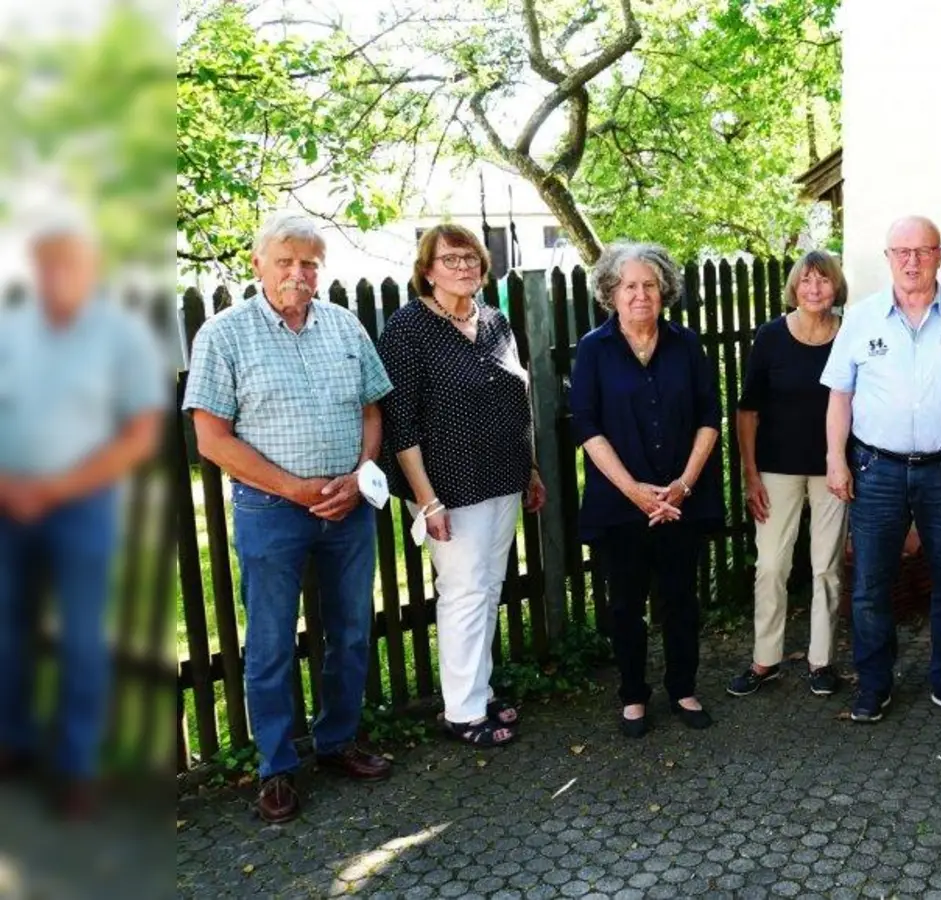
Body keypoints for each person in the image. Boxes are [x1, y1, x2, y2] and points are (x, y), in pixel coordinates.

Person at [183, 211, 395, 824]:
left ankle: (338, 741)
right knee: (272, 642)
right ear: (258, 265)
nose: (297, 274)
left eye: (309, 264)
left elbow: (372, 411)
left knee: (351, 632)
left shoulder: (345, 325)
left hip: (348, 509)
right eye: (285, 262)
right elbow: (212, 440)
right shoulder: (224, 335)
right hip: (272, 510)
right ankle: (276, 766)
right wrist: (295, 489)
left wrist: (360, 473)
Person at [0, 213, 166, 817]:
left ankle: (77, 765)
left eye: (68, 262)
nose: (56, 274)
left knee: (81, 637)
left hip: (83, 506)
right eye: (46, 263)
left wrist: (55, 488)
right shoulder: (10, 330)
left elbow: (140, 435)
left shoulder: (123, 337)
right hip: (8, 504)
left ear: (92, 267)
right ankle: (14, 740)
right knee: (6, 629)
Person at [821, 215, 941, 725]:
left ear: (940, 255)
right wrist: (835, 458)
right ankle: (874, 683)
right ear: (888, 258)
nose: (912, 261)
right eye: (902, 251)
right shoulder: (861, 318)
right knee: (870, 585)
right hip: (876, 469)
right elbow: (840, 395)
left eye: (923, 251)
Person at [376, 224, 547, 748]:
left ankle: (478, 691)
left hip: (503, 475)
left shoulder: (494, 321)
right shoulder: (407, 329)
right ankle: (463, 711)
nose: (464, 266)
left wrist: (530, 469)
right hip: (448, 486)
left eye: (471, 257)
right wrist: (426, 501)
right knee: (464, 591)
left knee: (488, 588)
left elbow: (518, 401)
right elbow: (400, 422)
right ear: (427, 270)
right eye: (450, 259)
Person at [569, 242, 723, 737]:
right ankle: (633, 695)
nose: (640, 295)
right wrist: (634, 491)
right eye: (629, 286)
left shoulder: (686, 344)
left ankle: (683, 689)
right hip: (620, 502)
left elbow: (709, 416)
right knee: (625, 606)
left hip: (681, 501)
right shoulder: (594, 348)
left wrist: (683, 485)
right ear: (611, 293)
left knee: (682, 600)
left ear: (664, 291)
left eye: (650, 285)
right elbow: (586, 424)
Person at [727, 252, 848, 699]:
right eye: (806, 281)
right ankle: (765, 659)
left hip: (833, 468)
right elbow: (748, 410)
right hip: (776, 468)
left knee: (827, 567)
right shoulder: (771, 337)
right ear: (794, 288)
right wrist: (751, 475)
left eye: (823, 280)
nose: (814, 289)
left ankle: (821, 661)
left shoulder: (850, 334)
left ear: (836, 288)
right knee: (771, 565)